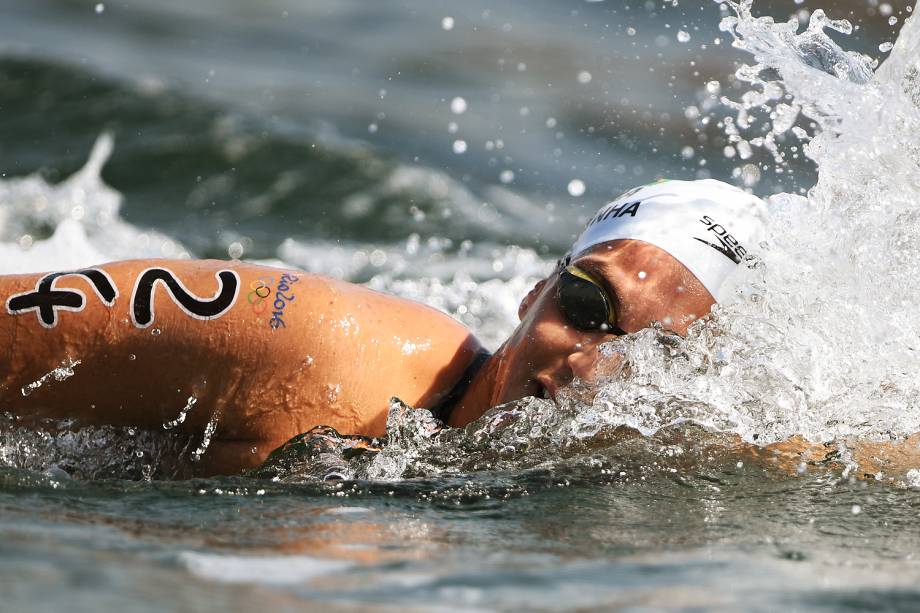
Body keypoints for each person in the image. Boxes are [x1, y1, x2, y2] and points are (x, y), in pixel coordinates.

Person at [0, 179, 767, 474]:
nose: (589, 362)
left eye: (654, 354)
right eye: (588, 307)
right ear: (537, 289)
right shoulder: (312, 345)